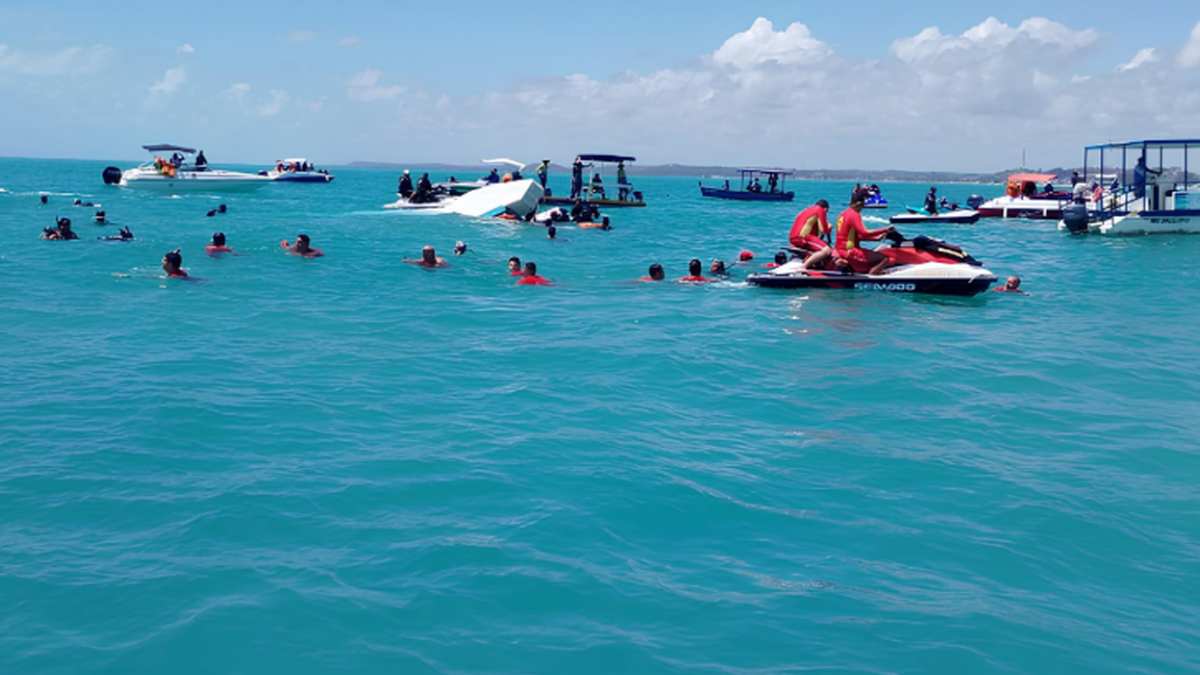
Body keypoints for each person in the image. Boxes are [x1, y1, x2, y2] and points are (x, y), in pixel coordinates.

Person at [832, 199, 894, 276]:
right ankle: (872, 277)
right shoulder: (854, 215)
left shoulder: (843, 214)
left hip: (841, 249)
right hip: (850, 251)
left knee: (874, 256)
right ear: (859, 205)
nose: (862, 208)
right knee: (884, 258)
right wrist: (885, 229)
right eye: (862, 206)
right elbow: (865, 232)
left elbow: (857, 236)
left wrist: (877, 238)